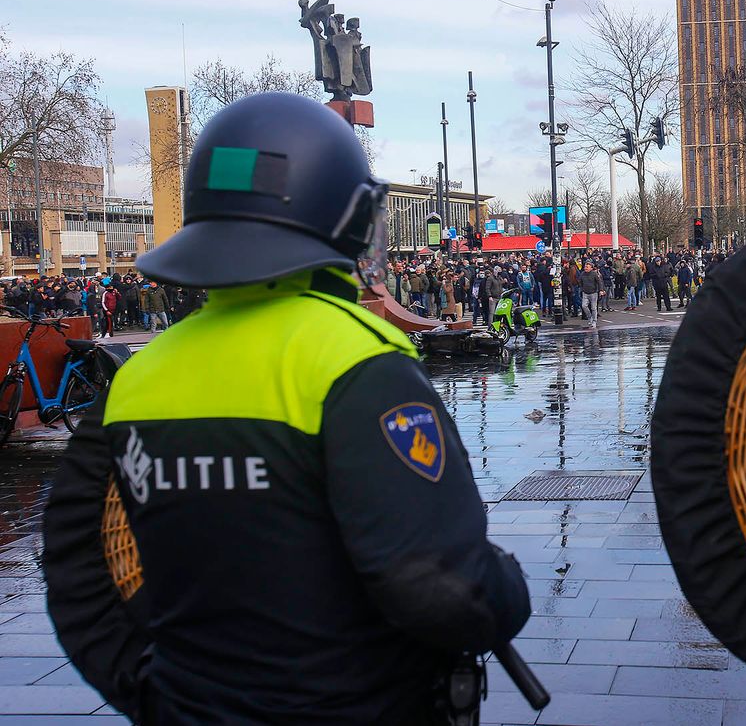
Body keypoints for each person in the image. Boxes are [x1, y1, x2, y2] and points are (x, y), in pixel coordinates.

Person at [70, 93, 530, 722]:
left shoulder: (138, 376)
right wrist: (500, 587)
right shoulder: (358, 362)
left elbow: (81, 570)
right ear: (346, 217)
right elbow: (439, 586)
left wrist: (159, 692)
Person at [579, 261, 603, 328]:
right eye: (585, 267)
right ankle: (590, 318)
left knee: (593, 308)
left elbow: (599, 282)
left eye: (587, 267)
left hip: (593, 293)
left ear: (591, 268)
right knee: (584, 306)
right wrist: (582, 289)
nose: (585, 268)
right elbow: (580, 282)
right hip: (585, 293)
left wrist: (601, 290)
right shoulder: (582, 274)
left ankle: (594, 321)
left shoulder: (594, 274)